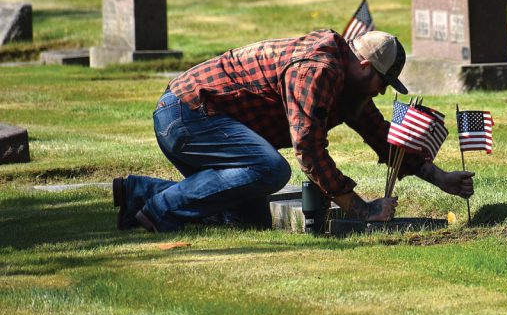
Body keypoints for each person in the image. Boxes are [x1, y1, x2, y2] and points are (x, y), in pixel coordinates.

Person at [112, 29, 475, 232]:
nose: (382, 91)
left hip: (197, 119)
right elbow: (308, 148)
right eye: (384, 81)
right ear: (364, 66)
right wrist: (358, 209)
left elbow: (382, 135)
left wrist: (439, 177)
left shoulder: (348, 84)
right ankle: (160, 210)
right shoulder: (318, 70)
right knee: (271, 169)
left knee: (247, 222)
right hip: (188, 115)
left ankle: (139, 194)